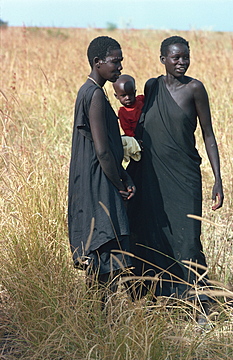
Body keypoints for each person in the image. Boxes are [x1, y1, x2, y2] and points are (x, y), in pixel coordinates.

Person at [128, 36, 224, 307]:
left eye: (185, 57)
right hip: (153, 178)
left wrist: (218, 179)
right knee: (154, 234)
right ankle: (165, 299)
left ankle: (201, 303)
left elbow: (208, 135)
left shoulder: (195, 89)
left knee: (189, 240)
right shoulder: (152, 86)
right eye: (175, 58)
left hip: (185, 177)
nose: (182, 62)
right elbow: (141, 128)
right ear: (163, 60)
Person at [68, 36, 136, 307]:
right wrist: (120, 180)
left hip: (96, 178)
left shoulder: (91, 90)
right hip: (100, 182)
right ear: (98, 63)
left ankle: (98, 318)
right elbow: (103, 150)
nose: (120, 67)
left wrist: (124, 174)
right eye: (115, 61)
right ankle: (99, 319)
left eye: (120, 61)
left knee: (102, 256)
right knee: (105, 252)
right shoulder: (94, 94)